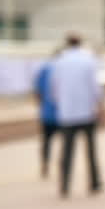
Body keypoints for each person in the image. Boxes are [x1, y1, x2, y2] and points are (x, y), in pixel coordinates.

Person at [51, 34, 104, 197]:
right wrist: (100, 105)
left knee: (66, 151)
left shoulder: (59, 62)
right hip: (87, 111)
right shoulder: (89, 60)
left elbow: (55, 89)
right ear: (80, 43)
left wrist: (60, 105)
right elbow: (95, 86)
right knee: (91, 150)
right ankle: (94, 182)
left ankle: (65, 184)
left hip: (67, 113)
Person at [34, 52, 60, 180]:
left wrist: (41, 107)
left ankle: (45, 163)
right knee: (64, 141)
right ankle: (62, 164)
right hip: (62, 114)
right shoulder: (62, 69)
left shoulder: (44, 69)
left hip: (46, 113)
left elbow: (37, 92)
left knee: (46, 141)